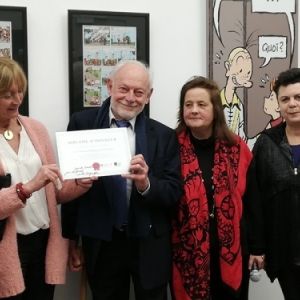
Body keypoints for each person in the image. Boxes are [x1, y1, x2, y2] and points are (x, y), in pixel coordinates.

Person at [61, 60, 182, 300]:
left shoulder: (165, 135)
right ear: (109, 86)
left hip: (148, 242)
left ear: (149, 96)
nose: (130, 98)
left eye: (139, 92)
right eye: (123, 89)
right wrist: (71, 239)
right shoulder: (81, 123)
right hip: (101, 240)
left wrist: (145, 185)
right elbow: (69, 186)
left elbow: (174, 190)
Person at [0, 57, 93, 299]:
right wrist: (28, 187)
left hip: (43, 241)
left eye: (20, 91)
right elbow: (34, 186)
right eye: (8, 95)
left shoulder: (36, 129)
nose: (17, 100)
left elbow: (54, 192)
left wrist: (79, 185)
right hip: (7, 247)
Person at [171, 76, 265, 300]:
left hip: (232, 250)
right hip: (186, 252)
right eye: (188, 104)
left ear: (216, 110)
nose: (194, 110)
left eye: (201, 104)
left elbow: (253, 202)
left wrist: (257, 247)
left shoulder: (237, 149)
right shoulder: (170, 147)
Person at [253, 68, 300, 299]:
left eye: (298, 97)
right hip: (284, 251)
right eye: (285, 99)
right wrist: (257, 247)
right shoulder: (266, 143)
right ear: (278, 104)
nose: (292, 104)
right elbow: (256, 198)